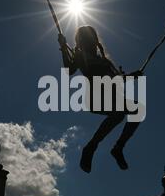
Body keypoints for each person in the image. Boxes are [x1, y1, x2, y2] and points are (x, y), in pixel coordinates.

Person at [58, 26, 143, 173]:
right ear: (81, 41)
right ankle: (91, 147)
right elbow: (69, 71)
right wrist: (63, 49)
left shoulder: (104, 61)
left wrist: (131, 76)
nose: (88, 41)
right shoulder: (80, 55)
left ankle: (118, 148)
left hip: (111, 96)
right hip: (94, 98)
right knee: (119, 113)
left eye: (90, 38)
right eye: (85, 39)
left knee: (137, 109)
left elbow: (116, 80)